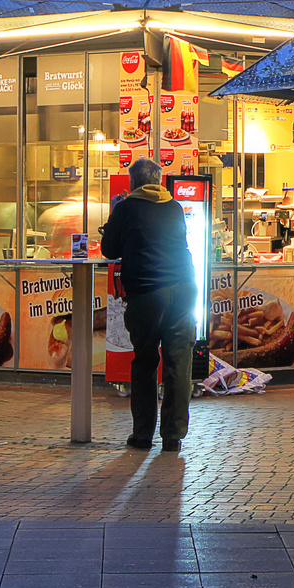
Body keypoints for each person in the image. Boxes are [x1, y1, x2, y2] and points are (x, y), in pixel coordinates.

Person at [100, 158, 194, 452]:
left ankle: (142, 435)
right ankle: (173, 436)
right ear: (159, 180)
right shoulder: (174, 206)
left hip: (147, 293)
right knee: (178, 363)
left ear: (133, 183)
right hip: (183, 290)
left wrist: (115, 220)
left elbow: (109, 250)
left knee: (144, 361)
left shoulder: (126, 207)